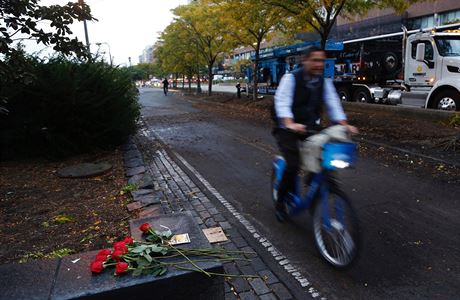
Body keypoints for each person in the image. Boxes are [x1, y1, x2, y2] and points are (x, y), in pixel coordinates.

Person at [273, 46, 358, 222]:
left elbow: (333, 104)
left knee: (324, 156)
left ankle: (316, 187)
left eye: (322, 61)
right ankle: (280, 202)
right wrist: (290, 123)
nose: (320, 64)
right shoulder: (291, 78)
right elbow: (282, 102)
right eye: (316, 60)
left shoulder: (324, 82)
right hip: (287, 127)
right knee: (293, 165)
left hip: (310, 126)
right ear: (305, 60)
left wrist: (344, 125)